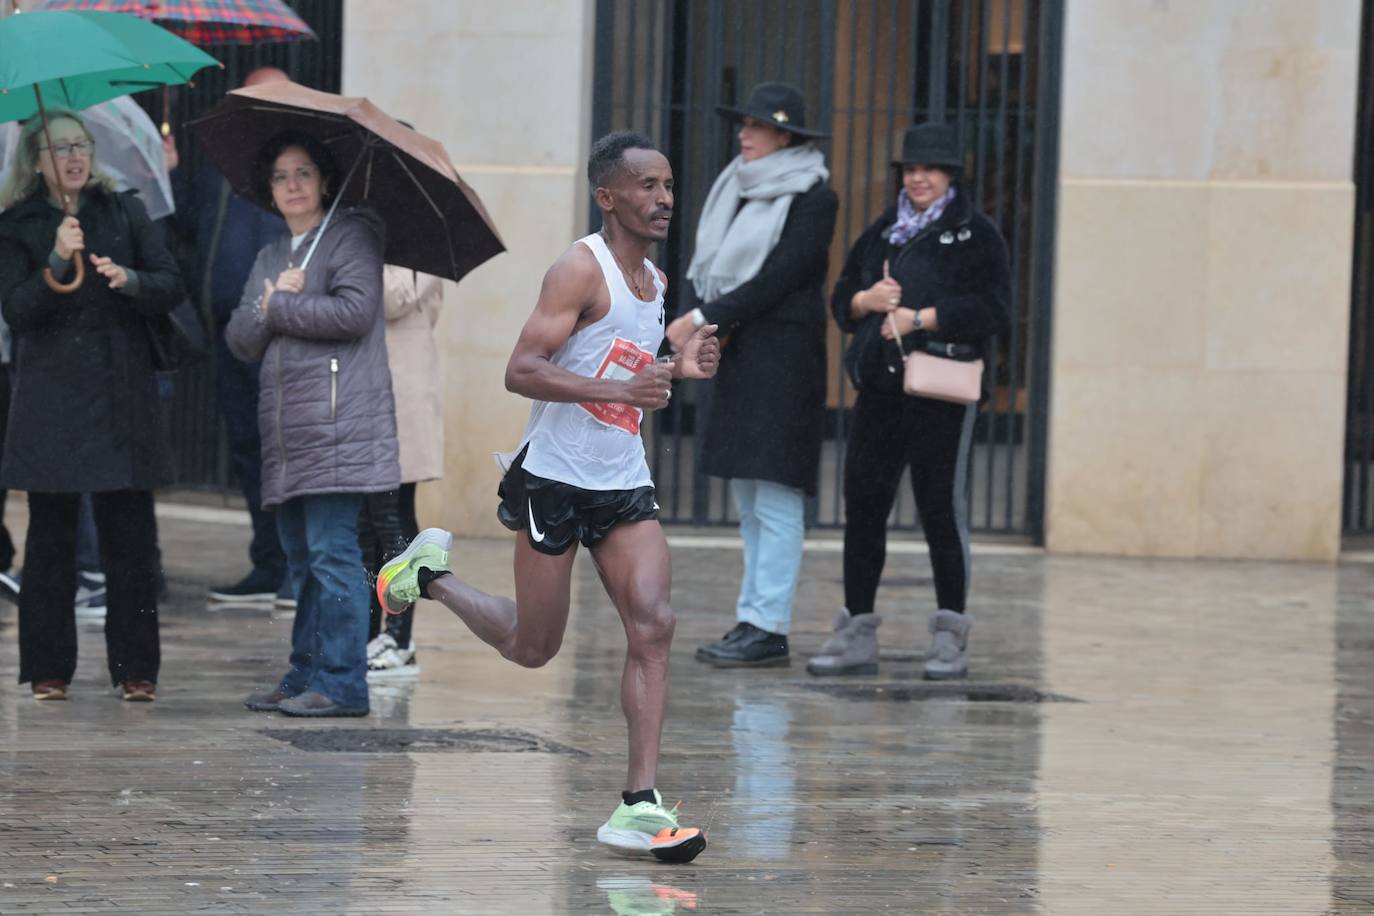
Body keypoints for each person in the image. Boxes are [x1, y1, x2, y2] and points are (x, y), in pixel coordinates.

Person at [375, 132, 719, 862]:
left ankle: (638, 803)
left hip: (622, 478)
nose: (664, 199)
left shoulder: (654, 283)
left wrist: (674, 368)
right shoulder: (576, 269)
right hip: (555, 478)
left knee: (654, 623)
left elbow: (624, 367)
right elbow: (522, 370)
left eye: (667, 184)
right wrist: (621, 387)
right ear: (607, 196)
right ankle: (426, 578)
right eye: (648, 186)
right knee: (535, 648)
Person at [807, 122, 1011, 680]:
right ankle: (856, 632)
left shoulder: (976, 234)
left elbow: (994, 311)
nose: (919, 178)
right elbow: (842, 299)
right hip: (880, 387)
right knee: (864, 507)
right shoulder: (882, 233)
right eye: (911, 170)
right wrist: (865, 300)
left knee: (941, 509)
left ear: (950, 176)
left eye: (930, 170)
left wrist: (921, 317)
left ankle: (951, 635)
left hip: (941, 386)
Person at [0, 110, 184, 701]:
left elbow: (168, 283)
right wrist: (56, 260)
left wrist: (127, 278)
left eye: (80, 145)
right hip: (50, 397)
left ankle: (136, 670)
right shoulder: (16, 224)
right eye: (58, 149)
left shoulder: (124, 209)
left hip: (119, 392)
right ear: (35, 160)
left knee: (127, 537)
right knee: (51, 539)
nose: (74, 157)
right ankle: (48, 669)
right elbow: (17, 311)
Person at [665, 81, 838, 669]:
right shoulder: (733, 185)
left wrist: (703, 316)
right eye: (744, 124)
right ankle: (751, 618)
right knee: (747, 493)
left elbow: (785, 274)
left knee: (776, 494)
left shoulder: (815, 195)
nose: (744, 133)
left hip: (784, 359)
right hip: (738, 352)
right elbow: (710, 264)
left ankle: (770, 625)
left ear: (783, 135)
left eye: (756, 126)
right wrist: (706, 315)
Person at [227, 130, 396, 717]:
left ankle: (344, 684)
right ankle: (304, 677)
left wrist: (281, 306)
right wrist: (267, 305)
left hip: (336, 425)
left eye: (302, 173)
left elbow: (355, 312)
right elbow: (241, 337)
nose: (292, 186)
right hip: (288, 431)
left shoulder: (351, 235)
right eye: (280, 177)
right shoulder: (273, 255)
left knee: (332, 554)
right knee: (301, 560)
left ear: (324, 180)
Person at [171, 66, 291, 607]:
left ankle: (293, 566)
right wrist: (169, 175)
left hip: (281, 340)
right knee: (246, 451)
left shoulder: (294, 173)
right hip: (226, 334)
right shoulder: (218, 167)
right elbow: (184, 231)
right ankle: (267, 562)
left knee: (283, 455)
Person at [363, 264, 445, 678]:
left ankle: (399, 635)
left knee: (390, 515)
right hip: (368, 390)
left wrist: (362, 259)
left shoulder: (416, 245)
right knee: (365, 521)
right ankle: (364, 636)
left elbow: (394, 298)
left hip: (402, 395)